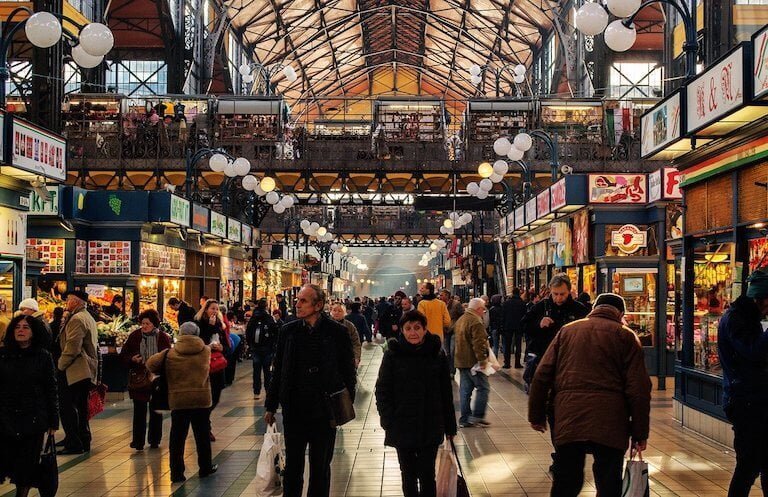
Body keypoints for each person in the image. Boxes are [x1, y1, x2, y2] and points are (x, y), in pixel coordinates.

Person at [528, 293, 651, 497]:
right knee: (608, 480)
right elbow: (639, 390)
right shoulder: (626, 336)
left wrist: (536, 416)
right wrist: (639, 433)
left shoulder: (567, 332)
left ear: (594, 308)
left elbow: (541, 376)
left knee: (566, 480)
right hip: (611, 421)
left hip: (569, 416)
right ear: (621, 313)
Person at [265, 284, 356, 497]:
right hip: (295, 408)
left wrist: (345, 401)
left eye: (303, 301)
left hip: (324, 410)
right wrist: (271, 405)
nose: (297, 304)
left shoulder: (337, 332)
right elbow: (278, 370)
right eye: (297, 300)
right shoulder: (288, 331)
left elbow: (348, 372)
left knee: (320, 467)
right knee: (294, 466)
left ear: (318, 305)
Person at [375, 310, 457, 496]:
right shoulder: (393, 355)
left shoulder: (437, 354)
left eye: (417, 328)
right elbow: (382, 390)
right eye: (408, 328)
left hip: (431, 422)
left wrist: (450, 427)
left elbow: (445, 392)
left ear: (425, 329)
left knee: (428, 474)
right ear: (402, 331)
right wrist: (388, 419)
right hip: (402, 424)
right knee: (408, 474)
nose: (413, 332)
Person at [147, 322, 218, 483]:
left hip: (179, 400)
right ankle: (205, 467)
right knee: (202, 436)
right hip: (201, 400)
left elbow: (151, 364)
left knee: (177, 438)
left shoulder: (170, 353)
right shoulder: (205, 351)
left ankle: (177, 473)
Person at [718, 270, 768, 497]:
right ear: (762, 299)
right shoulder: (738, 320)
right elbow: (754, 351)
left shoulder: (746, 318)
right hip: (747, 403)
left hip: (754, 400)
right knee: (748, 466)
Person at [0, 315, 58, 497]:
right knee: (3, 461)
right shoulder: (3, 355)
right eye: (17, 327)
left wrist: (53, 421)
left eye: (26, 327)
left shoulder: (43, 356)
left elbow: (51, 388)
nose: (21, 330)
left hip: (33, 419)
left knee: (26, 466)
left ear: (33, 332)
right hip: (4, 418)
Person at [119, 309, 172, 451]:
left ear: (154, 324)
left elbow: (168, 356)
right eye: (142, 323)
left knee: (156, 410)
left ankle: (154, 439)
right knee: (139, 411)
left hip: (156, 378)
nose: (144, 326)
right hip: (139, 378)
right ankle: (138, 441)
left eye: (147, 323)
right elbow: (124, 354)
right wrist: (132, 359)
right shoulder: (135, 336)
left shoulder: (162, 337)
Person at [57, 290, 98, 454]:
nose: (67, 302)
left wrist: (60, 366)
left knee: (68, 407)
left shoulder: (77, 319)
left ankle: (74, 442)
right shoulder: (87, 317)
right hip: (85, 370)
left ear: (76, 301)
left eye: (68, 299)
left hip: (76, 370)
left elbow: (72, 347)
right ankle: (81, 438)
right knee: (81, 408)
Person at [194, 299, 229, 441]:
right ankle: (205, 427)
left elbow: (227, 345)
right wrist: (210, 327)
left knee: (216, 396)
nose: (214, 311)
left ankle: (203, 420)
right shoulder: (199, 324)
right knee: (206, 397)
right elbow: (198, 343)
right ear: (206, 309)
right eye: (212, 308)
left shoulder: (220, 325)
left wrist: (222, 348)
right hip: (204, 366)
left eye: (216, 309)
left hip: (218, 365)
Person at [453, 298, 491, 428]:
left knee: (465, 391)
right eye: (483, 309)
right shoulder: (475, 321)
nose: (484, 312)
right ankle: (477, 416)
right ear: (478, 309)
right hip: (473, 362)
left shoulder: (461, 320)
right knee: (483, 388)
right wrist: (482, 360)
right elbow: (479, 343)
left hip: (461, 361)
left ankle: (464, 419)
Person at [245, 299, 279, 400]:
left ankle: (256, 391)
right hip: (267, 348)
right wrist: (273, 345)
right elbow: (275, 331)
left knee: (256, 370)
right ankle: (268, 390)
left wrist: (250, 345)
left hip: (255, 348)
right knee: (267, 371)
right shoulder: (269, 318)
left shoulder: (253, 317)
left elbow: (248, 332)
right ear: (266, 307)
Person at [330, 302, 362, 368]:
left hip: (346, 360)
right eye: (334, 310)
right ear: (331, 312)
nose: (336, 313)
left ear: (344, 313)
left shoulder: (349, 326)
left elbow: (356, 343)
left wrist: (356, 358)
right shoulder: (325, 325)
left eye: (339, 311)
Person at [440, 289, 463, 376]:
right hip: (445, 331)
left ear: (447, 295)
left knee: (453, 350)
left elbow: (462, 315)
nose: (440, 297)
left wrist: (458, 325)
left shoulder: (456, 304)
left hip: (454, 330)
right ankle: (449, 370)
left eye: (442, 295)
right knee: (447, 352)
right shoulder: (441, 305)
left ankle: (452, 371)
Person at [502, 288, 528, 368]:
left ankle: (507, 363)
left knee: (507, 345)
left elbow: (503, 316)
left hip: (508, 326)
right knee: (518, 345)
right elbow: (525, 316)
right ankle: (517, 363)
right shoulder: (522, 304)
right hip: (519, 327)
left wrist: (503, 326)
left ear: (512, 293)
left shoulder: (506, 303)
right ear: (519, 293)